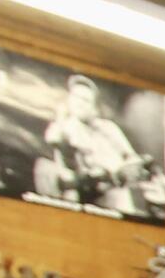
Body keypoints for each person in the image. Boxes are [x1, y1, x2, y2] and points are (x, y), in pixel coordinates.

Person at [41, 73, 148, 214]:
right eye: (75, 97)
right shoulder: (64, 127)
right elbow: (53, 138)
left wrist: (120, 171)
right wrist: (61, 117)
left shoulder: (108, 128)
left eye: (85, 100)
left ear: (93, 107)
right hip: (83, 198)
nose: (79, 102)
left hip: (113, 194)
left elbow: (132, 158)